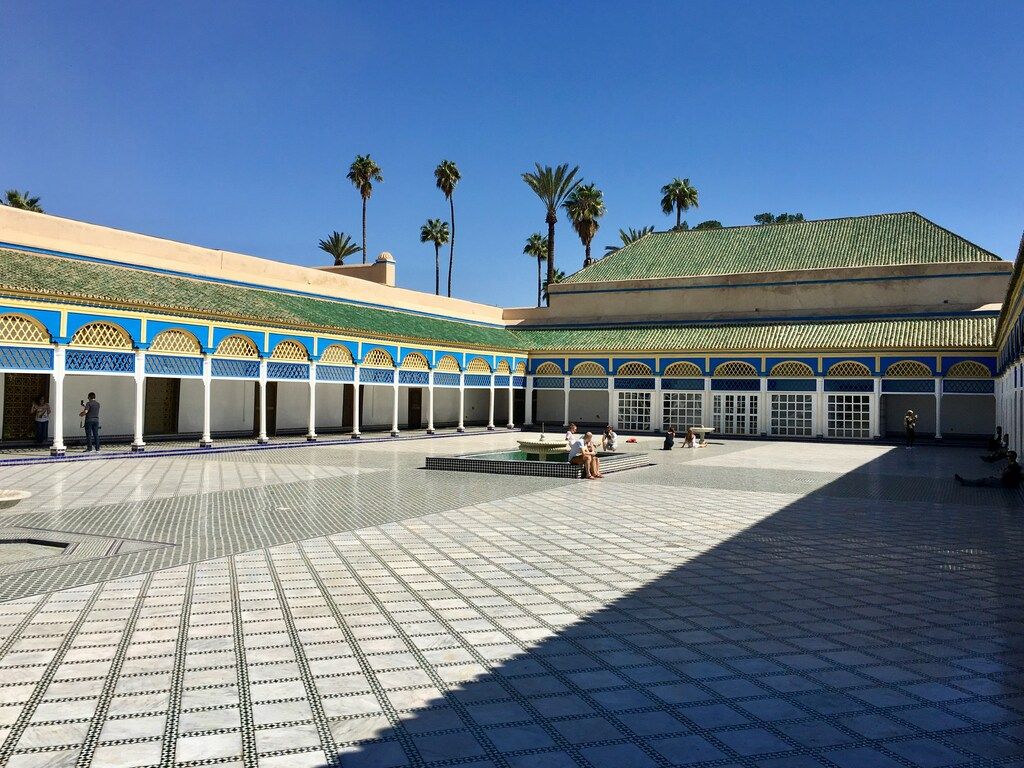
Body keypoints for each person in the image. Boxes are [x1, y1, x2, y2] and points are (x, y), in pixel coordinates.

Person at [956, 451, 1022, 489]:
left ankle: (965, 482)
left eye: (1008, 456)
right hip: (1007, 483)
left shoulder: (1012, 466)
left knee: (983, 480)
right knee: (986, 480)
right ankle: (965, 481)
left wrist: (1002, 471)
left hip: (1004, 484)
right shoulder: (1015, 465)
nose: (1007, 458)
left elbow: (1004, 474)